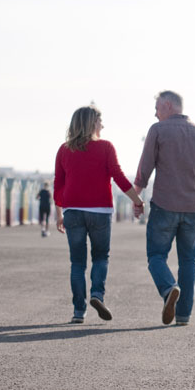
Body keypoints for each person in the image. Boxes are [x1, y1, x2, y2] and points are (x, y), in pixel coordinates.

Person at [54, 105, 144, 324]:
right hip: (100, 212)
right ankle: (97, 294)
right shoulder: (105, 147)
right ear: (92, 122)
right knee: (101, 257)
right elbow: (119, 177)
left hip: (72, 211)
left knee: (77, 263)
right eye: (100, 121)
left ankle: (78, 311)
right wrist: (137, 200)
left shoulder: (64, 150)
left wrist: (59, 214)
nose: (102, 125)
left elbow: (58, 185)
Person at [134, 90, 195, 326]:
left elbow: (144, 170)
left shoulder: (158, 130)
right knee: (188, 261)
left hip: (164, 206)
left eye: (158, 108)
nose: (155, 113)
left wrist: (135, 199)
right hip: (192, 210)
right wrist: (194, 197)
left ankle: (169, 288)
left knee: (156, 256)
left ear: (168, 105)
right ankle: (183, 316)